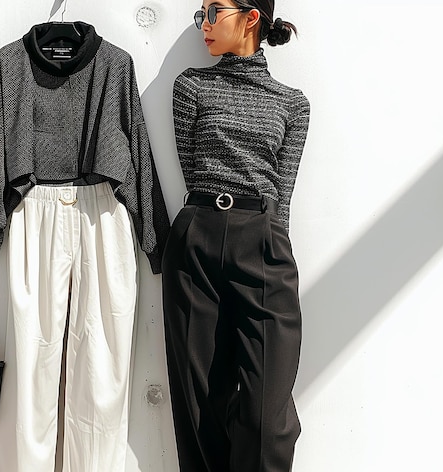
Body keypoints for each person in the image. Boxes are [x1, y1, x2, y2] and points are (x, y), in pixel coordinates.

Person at [162, 1, 310, 471]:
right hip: (197, 237)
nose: (203, 24)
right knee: (199, 401)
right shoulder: (190, 87)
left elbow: (282, 192)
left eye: (213, 12)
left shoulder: (293, 103)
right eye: (199, 14)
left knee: (268, 417)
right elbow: (192, 170)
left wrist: (267, 239)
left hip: (263, 242)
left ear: (250, 17)